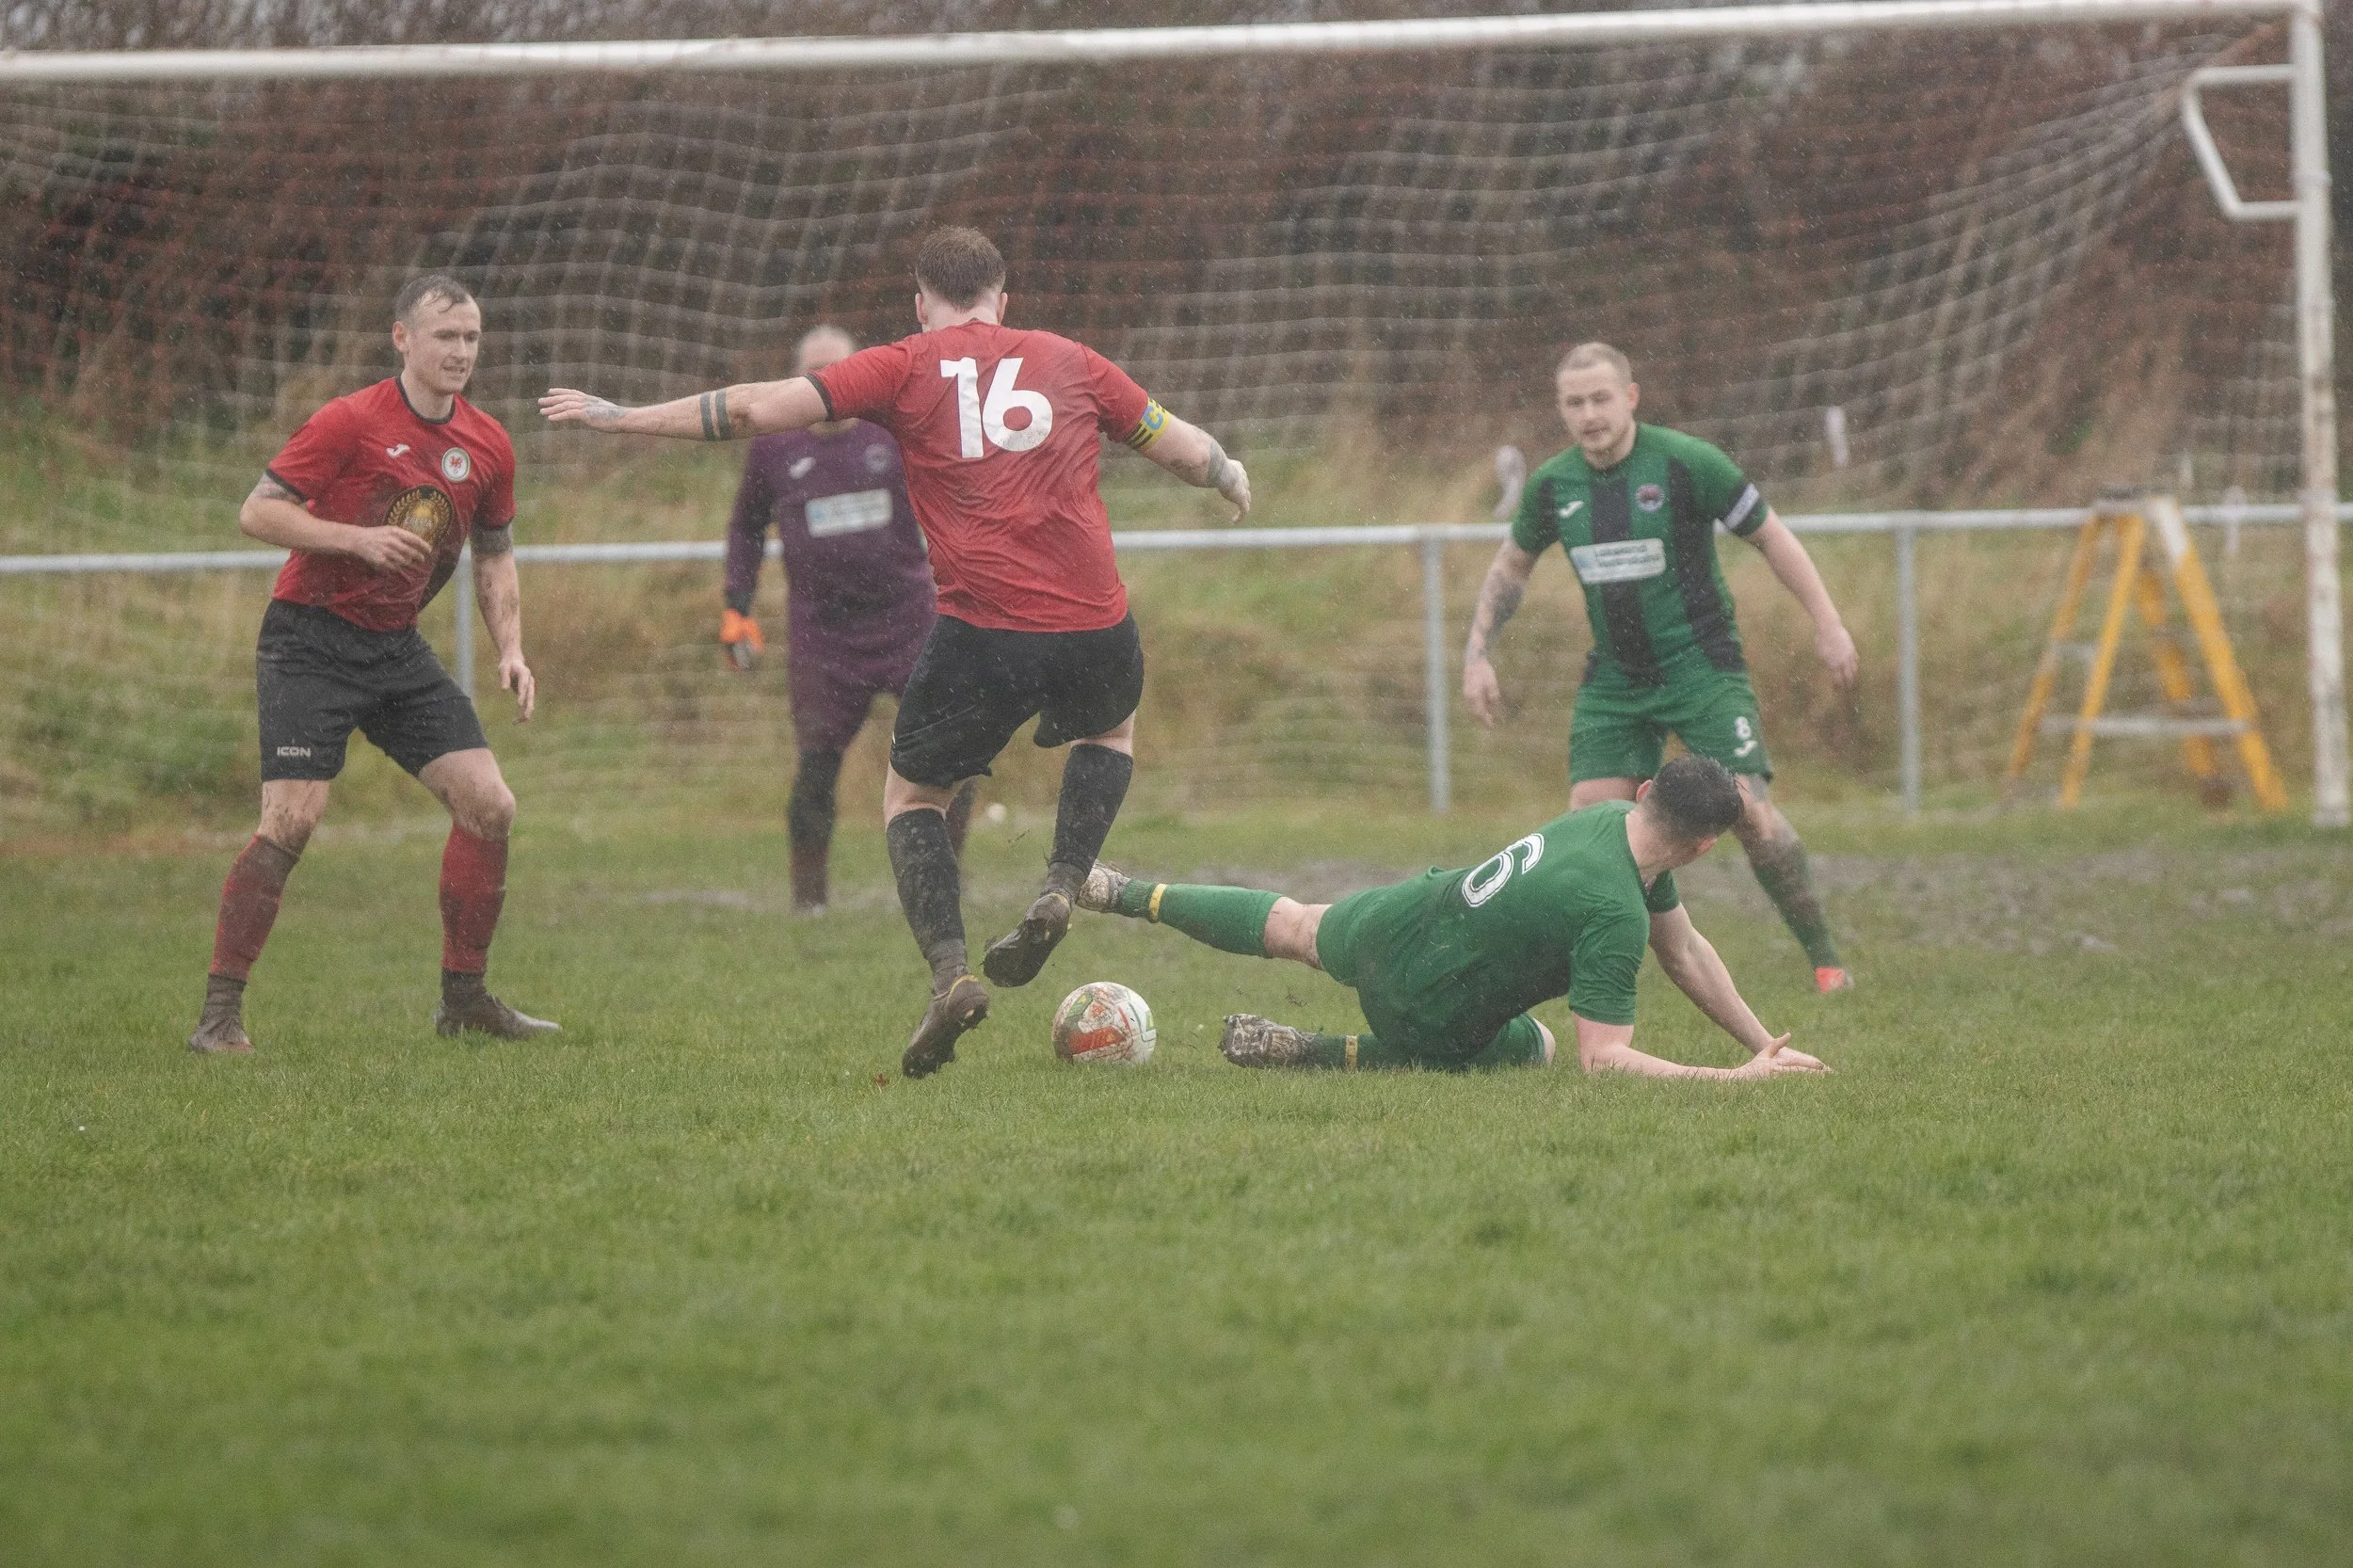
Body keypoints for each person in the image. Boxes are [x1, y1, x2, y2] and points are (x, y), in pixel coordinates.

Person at [541, 227, 1252, 1077]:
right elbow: (1181, 445)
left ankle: (951, 973)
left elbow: (755, 409)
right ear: (1004, 297)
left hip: (983, 631)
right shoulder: (1072, 359)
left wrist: (621, 418)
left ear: (921, 304)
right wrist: (1228, 473)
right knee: (1110, 734)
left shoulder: (903, 364)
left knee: (912, 793)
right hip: (1096, 622)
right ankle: (1062, 883)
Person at [187, 275, 555, 1054]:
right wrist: (354, 538)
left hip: (394, 650)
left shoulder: (489, 443)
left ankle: (465, 1001)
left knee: (491, 804)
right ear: (402, 339)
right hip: (309, 642)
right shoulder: (350, 420)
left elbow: (495, 554)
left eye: (472, 338)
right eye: (445, 337)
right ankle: (219, 1017)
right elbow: (258, 510)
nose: (460, 352)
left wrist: (513, 651)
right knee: (292, 820)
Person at [1463, 342, 1859, 994]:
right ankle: (1586, 968)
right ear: (1560, 409)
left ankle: (1825, 959)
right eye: (1574, 402)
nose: (1589, 414)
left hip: (1701, 669)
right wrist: (1477, 654)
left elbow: (1770, 536)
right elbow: (1510, 566)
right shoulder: (1554, 485)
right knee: (1590, 822)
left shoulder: (1685, 463)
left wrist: (1828, 622)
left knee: (1750, 814)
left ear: (1631, 397)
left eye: (1600, 398)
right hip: (1615, 681)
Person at [1078, 756, 1828, 1079]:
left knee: (1296, 924)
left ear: (1642, 794)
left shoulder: (1606, 822)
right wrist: (1735, 1080)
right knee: (1535, 1049)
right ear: (1699, 849)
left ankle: (1120, 890)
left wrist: (1764, 1044)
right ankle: (1317, 1050)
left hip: (1399, 916)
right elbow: (1604, 1064)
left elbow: (1686, 950)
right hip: (1426, 1004)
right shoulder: (1615, 910)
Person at [720, 323, 974, 914]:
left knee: (950, 755)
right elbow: (745, 527)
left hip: (909, 622)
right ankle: (810, 905)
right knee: (816, 765)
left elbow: (957, 501)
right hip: (823, 635)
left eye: (838, 374)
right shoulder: (774, 448)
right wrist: (737, 604)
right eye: (815, 377)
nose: (828, 387)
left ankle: (942, 888)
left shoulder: (895, 435)